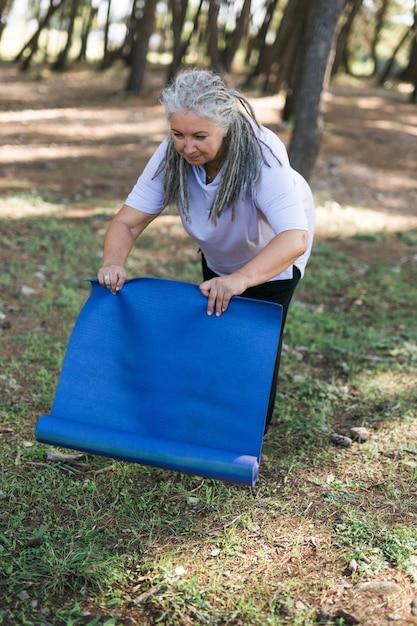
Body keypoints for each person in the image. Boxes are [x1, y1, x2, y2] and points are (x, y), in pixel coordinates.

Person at [97, 68, 315, 431]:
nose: (187, 146)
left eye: (200, 136)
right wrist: (113, 261)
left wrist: (241, 279)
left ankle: (246, 432)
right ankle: (208, 418)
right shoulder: (173, 154)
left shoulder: (262, 153)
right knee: (217, 335)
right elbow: (127, 222)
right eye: (178, 134)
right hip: (220, 251)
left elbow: (294, 238)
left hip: (274, 254)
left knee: (252, 348)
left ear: (226, 126)